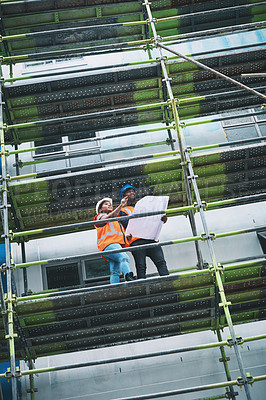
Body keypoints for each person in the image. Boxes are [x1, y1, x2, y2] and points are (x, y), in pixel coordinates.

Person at [119, 184, 169, 279]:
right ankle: (141, 285)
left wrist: (161, 218)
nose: (131, 193)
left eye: (132, 191)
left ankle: (167, 281)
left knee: (161, 262)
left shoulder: (145, 206)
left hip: (151, 238)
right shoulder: (123, 211)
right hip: (137, 241)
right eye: (128, 192)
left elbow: (152, 219)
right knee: (141, 266)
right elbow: (127, 224)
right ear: (124, 196)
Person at [94, 196, 136, 284]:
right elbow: (109, 217)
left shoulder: (115, 221)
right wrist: (121, 205)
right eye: (106, 204)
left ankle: (114, 287)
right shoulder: (100, 216)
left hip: (109, 246)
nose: (109, 205)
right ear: (101, 209)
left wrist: (126, 238)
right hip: (109, 244)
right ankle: (128, 275)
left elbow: (116, 233)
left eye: (110, 204)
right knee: (124, 257)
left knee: (115, 270)